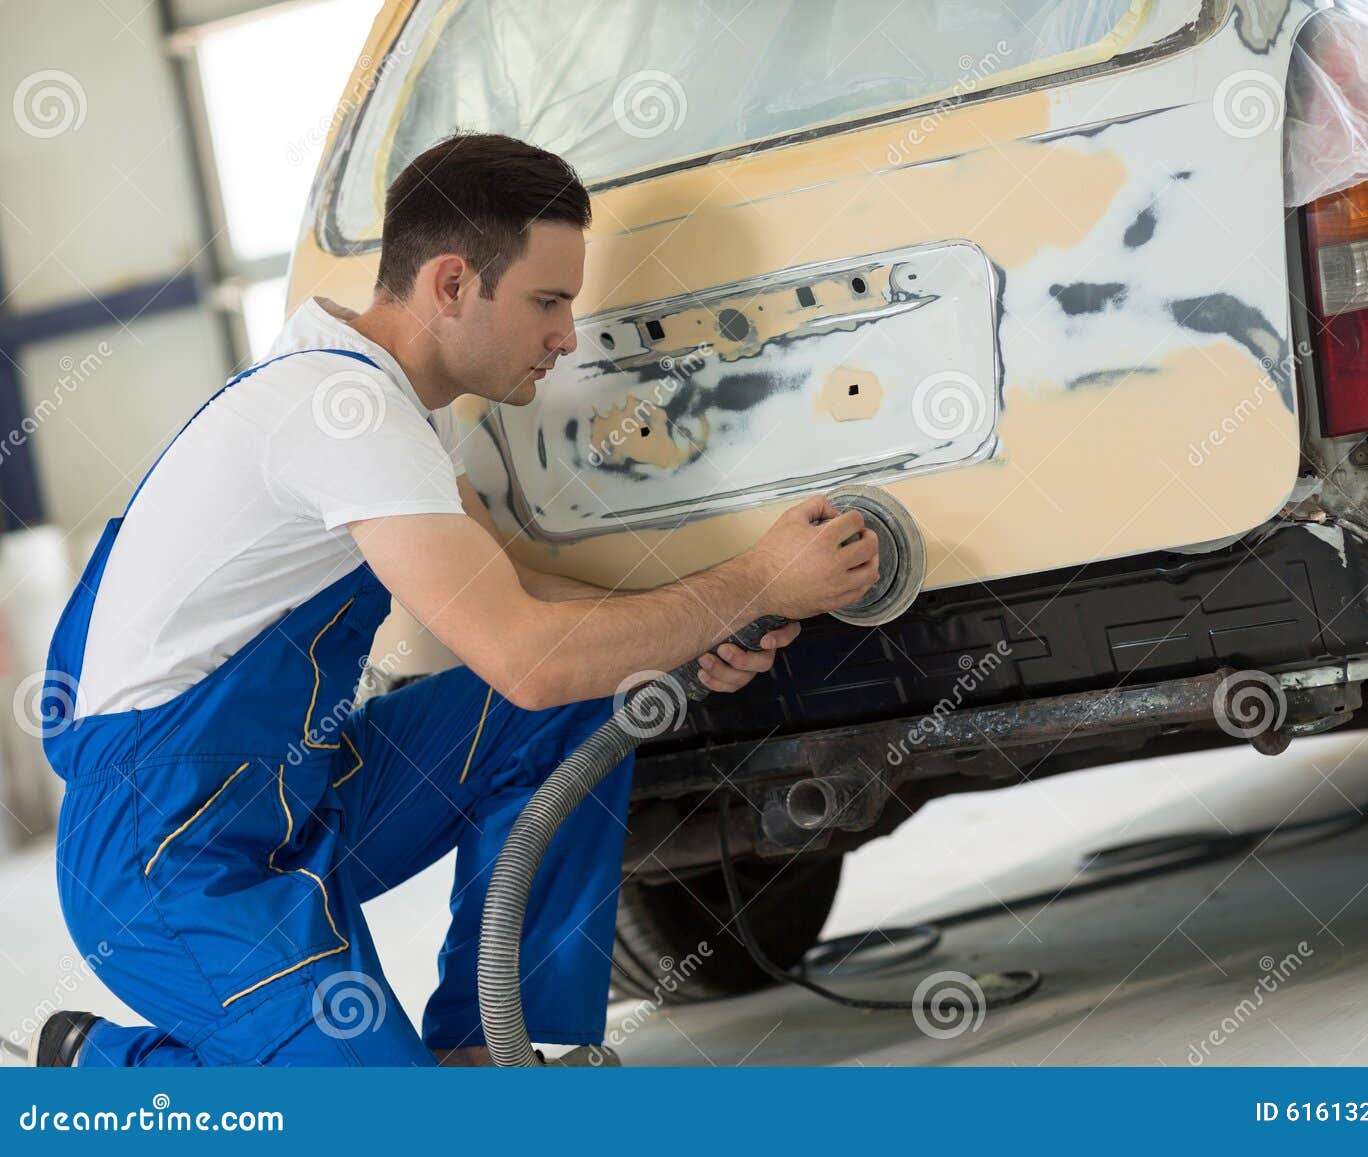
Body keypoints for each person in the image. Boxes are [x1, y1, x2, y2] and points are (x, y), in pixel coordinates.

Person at [29, 133, 878, 1067]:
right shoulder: (337, 413)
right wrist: (755, 580)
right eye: (547, 301)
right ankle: (99, 1073)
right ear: (449, 284)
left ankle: (490, 1044)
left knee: (590, 691)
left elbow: (512, 596)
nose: (565, 333)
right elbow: (530, 654)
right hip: (166, 851)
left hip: (296, 791)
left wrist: (699, 626)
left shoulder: (385, 403)